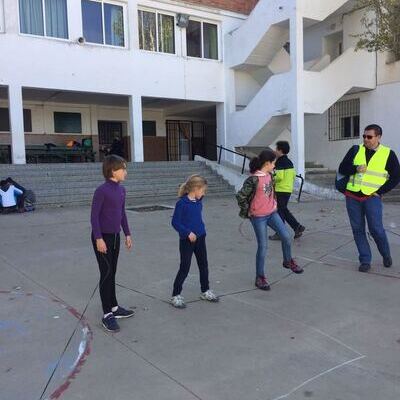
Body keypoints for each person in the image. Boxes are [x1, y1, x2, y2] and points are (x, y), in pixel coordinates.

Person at [236, 149, 303, 291]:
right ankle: (260, 277)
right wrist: (247, 211)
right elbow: (241, 196)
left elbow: (271, 192)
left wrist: (274, 204)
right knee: (263, 246)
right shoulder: (253, 179)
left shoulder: (270, 175)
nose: (275, 165)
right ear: (267, 163)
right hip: (258, 217)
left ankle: (287, 261)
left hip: (272, 213)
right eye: (273, 163)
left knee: (286, 236)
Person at [338, 124, 400, 273]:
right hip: (352, 196)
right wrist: (355, 168)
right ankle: (365, 260)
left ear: (378, 137)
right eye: (364, 136)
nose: (366, 139)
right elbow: (342, 168)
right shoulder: (355, 150)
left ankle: (385, 254)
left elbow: (396, 176)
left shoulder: (388, 154)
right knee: (357, 229)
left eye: (369, 137)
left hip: (372, 197)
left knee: (376, 229)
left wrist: (381, 191)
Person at [91, 155, 134, 332]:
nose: (126, 172)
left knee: (112, 272)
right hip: (102, 238)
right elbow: (94, 217)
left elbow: (122, 213)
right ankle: (107, 314)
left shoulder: (121, 190)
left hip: (115, 236)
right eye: (123, 169)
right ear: (112, 170)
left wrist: (127, 233)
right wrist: (98, 238)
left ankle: (114, 308)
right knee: (106, 273)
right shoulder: (101, 191)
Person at [171, 175, 219, 308]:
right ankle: (176, 294)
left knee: (203, 265)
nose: (204, 193)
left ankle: (205, 290)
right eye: (203, 190)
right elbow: (175, 222)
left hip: (201, 237)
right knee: (185, 267)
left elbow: (197, 185)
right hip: (187, 241)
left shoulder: (199, 200)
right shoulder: (182, 203)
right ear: (195, 189)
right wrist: (187, 233)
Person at [269, 141, 305, 241]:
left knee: (280, 211)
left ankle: (282, 232)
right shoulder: (289, 162)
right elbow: (293, 175)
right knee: (283, 210)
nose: (275, 151)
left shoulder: (280, 161)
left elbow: (279, 177)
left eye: (276, 149)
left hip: (280, 189)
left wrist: (271, 177)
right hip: (288, 189)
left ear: (280, 150)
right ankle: (297, 227)